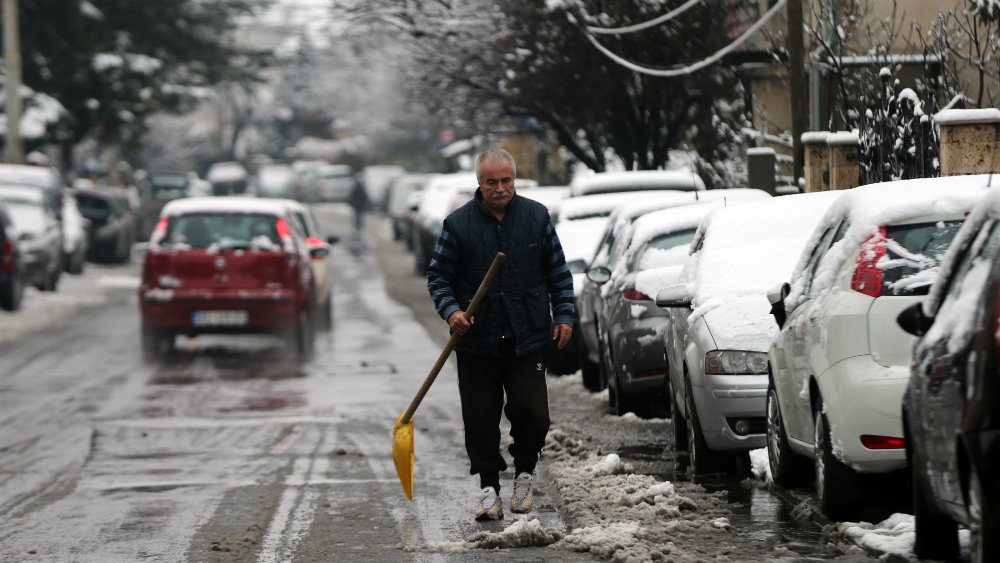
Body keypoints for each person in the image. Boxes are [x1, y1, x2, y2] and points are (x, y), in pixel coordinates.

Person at [426, 148, 574, 521]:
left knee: (534, 414)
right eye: (492, 181)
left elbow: (558, 272)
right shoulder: (458, 225)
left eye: (506, 180)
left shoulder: (536, 217)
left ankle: (524, 474)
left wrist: (565, 316)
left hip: (528, 336)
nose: (500, 188)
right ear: (479, 183)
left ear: (514, 179)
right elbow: (438, 277)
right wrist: (453, 311)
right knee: (479, 419)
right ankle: (489, 488)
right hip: (477, 342)